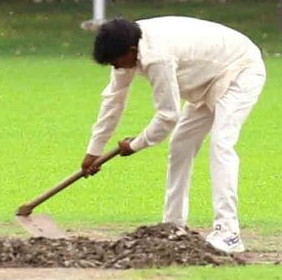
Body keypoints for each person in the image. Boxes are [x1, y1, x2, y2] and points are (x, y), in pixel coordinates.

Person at [78, 15, 267, 254]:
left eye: (117, 63)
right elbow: (113, 100)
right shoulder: (127, 43)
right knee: (180, 145)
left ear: (132, 50)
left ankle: (229, 232)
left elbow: (168, 116)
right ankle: (173, 227)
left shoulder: (156, 57)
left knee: (221, 144)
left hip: (240, 70)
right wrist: (93, 151)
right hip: (206, 79)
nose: (117, 69)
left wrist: (135, 145)